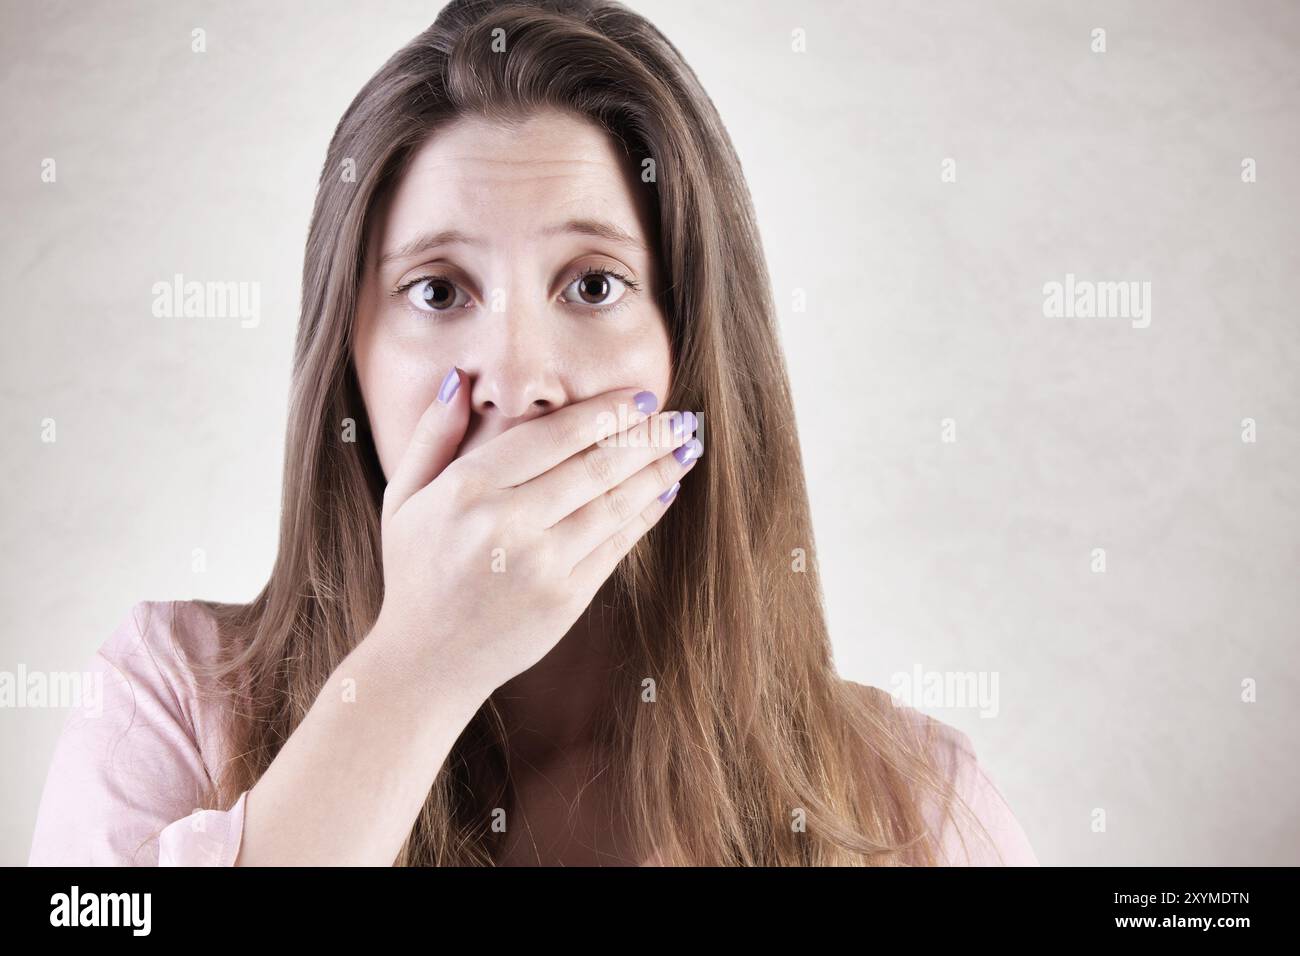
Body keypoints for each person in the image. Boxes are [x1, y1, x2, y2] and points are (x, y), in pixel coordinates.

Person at [29, 0, 1038, 867]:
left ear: (694, 357)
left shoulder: (913, 803)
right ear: (349, 362)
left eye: (594, 284)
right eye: (438, 289)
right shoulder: (171, 695)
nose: (521, 380)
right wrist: (418, 666)